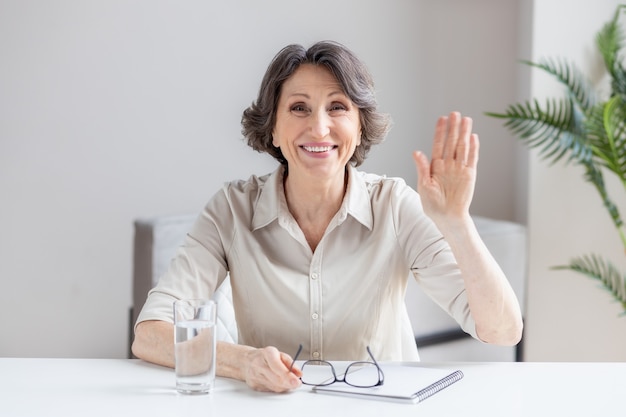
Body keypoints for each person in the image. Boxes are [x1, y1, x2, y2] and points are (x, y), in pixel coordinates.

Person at [131, 40, 523, 393]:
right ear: (273, 131)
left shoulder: (395, 205)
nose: (319, 127)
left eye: (338, 107)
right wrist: (244, 361)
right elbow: (150, 334)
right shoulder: (232, 209)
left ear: (359, 124)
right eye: (299, 108)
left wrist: (457, 222)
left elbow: (502, 331)